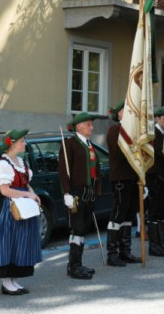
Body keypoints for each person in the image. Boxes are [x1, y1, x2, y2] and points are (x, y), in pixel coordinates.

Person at [0, 130, 42, 295]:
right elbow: (5, 190)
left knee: (21, 244)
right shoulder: (3, 164)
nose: (25, 143)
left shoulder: (21, 162)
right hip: (10, 209)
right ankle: (7, 282)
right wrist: (27, 194)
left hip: (23, 208)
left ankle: (14, 280)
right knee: (10, 244)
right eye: (22, 140)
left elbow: (26, 184)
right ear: (12, 143)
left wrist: (33, 194)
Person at [58, 112, 103, 280]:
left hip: (88, 192)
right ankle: (74, 266)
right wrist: (67, 192)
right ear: (78, 126)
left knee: (83, 229)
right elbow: (63, 169)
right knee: (76, 229)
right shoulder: (70, 144)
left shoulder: (88, 143)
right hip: (76, 192)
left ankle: (78, 263)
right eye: (88, 124)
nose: (91, 127)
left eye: (91, 124)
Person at [105, 101, 142, 267]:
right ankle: (112, 253)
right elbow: (120, 154)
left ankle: (125, 251)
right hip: (121, 177)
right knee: (118, 214)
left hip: (132, 177)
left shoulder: (133, 130)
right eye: (124, 110)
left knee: (129, 214)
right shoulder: (115, 130)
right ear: (119, 114)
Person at [145, 106, 164, 256]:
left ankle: (161, 242)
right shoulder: (153, 134)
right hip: (155, 176)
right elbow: (159, 152)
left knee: (163, 210)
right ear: (157, 119)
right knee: (154, 210)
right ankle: (154, 245)